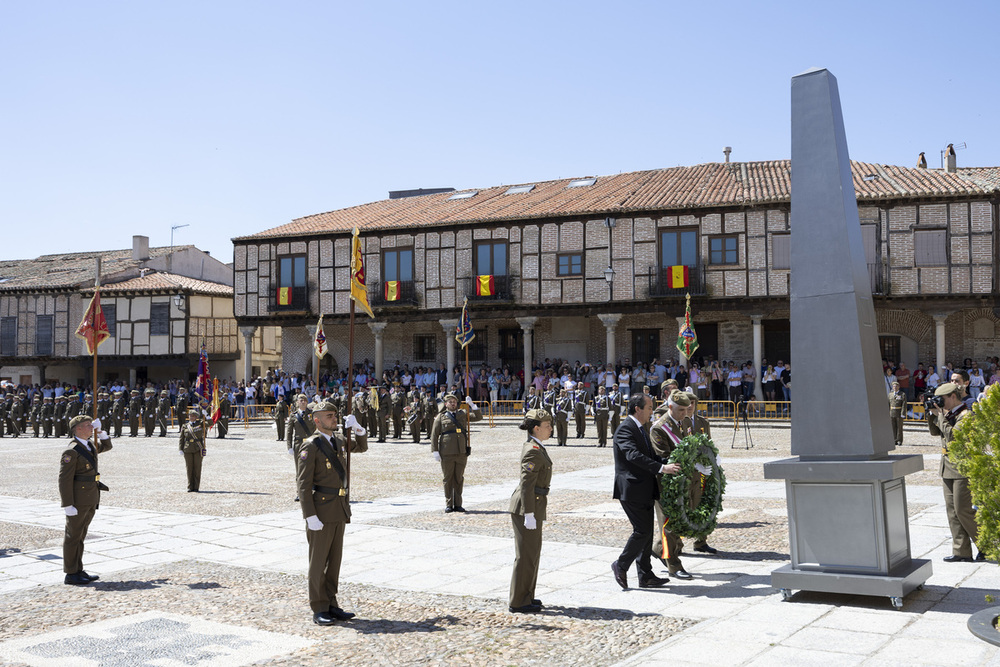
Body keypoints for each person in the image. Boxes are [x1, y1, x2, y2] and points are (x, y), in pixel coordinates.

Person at [297, 400, 368, 625]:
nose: (334, 419)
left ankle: (331, 603)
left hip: (339, 507)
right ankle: (318, 607)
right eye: (329, 416)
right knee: (318, 562)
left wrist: (358, 428)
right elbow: (303, 484)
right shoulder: (310, 445)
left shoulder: (338, 440)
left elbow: (362, 447)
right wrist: (310, 515)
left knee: (334, 561)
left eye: (335, 415)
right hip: (321, 509)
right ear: (317, 420)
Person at [610, 394, 678, 590]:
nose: (652, 411)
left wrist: (668, 462)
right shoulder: (625, 429)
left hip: (645, 488)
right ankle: (621, 564)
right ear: (637, 409)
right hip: (631, 489)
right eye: (649, 407)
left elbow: (650, 455)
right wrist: (661, 469)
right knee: (642, 531)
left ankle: (645, 574)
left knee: (647, 534)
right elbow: (632, 455)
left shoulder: (641, 428)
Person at [927, 382, 982, 562]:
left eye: (941, 399)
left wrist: (941, 416)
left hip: (962, 467)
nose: (939, 402)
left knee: (963, 510)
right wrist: (932, 415)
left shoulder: (966, 415)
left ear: (952, 397)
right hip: (948, 466)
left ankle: (987, 545)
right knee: (952, 511)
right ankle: (962, 552)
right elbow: (936, 432)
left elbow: (952, 437)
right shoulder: (949, 414)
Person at [508, 408, 554, 614]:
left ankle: (527, 595)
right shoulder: (533, 450)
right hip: (528, 506)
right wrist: (528, 514)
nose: (551, 428)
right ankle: (518, 601)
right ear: (536, 428)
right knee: (525, 555)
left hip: (535, 504)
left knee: (532, 552)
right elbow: (526, 485)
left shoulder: (537, 446)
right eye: (547, 426)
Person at [59, 415, 112, 585]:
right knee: (73, 536)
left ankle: (78, 569)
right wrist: (67, 504)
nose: (91, 427)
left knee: (81, 535)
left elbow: (107, 446)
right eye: (88, 425)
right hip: (78, 500)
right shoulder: (72, 451)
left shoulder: (88, 445)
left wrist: (101, 432)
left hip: (90, 497)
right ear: (78, 429)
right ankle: (70, 573)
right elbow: (64, 479)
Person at [649, 391, 694, 580]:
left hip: (683, 481)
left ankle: (657, 550)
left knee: (676, 523)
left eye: (687, 409)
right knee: (668, 526)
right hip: (665, 484)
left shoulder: (686, 423)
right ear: (670, 407)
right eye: (680, 410)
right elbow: (664, 457)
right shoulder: (659, 428)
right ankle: (674, 565)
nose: (685, 413)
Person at [430, 394, 483, 513]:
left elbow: (479, 417)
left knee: (459, 478)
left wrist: (472, 405)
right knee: (448, 478)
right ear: (446, 404)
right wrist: (435, 451)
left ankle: (458, 504)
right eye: (450, 401)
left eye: (454, 401)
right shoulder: (441, 417)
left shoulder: (462, 414)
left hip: (461, 452)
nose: (453, 403)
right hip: (446, 452)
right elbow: (434, 435)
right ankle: (449, 503)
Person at [178, 408, 207, 492]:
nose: (191, 417)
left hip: (198, 449)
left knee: (197, 468)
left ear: (196, 417)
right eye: (190, 416)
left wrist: (207, 415)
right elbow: (181, 438)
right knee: (189, 468)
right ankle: (190, 486)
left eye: (193, 416)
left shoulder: (200, 424)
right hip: (187, 449)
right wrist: (180, 448)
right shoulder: (185, 426)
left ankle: (196, 487)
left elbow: (210, 423)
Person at [888, 381, 906, 447]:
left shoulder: (902, 394)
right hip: (892, 412)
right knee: (893, 427)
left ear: (899, 387)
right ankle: (894, 440)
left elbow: (904, 404)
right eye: (894, 386)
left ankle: (899, 440)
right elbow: (888, 404)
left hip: (899, 412)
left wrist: (903, 413)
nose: (895, 388)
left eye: (896, 386)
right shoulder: (890, 394)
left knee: (899, 427)